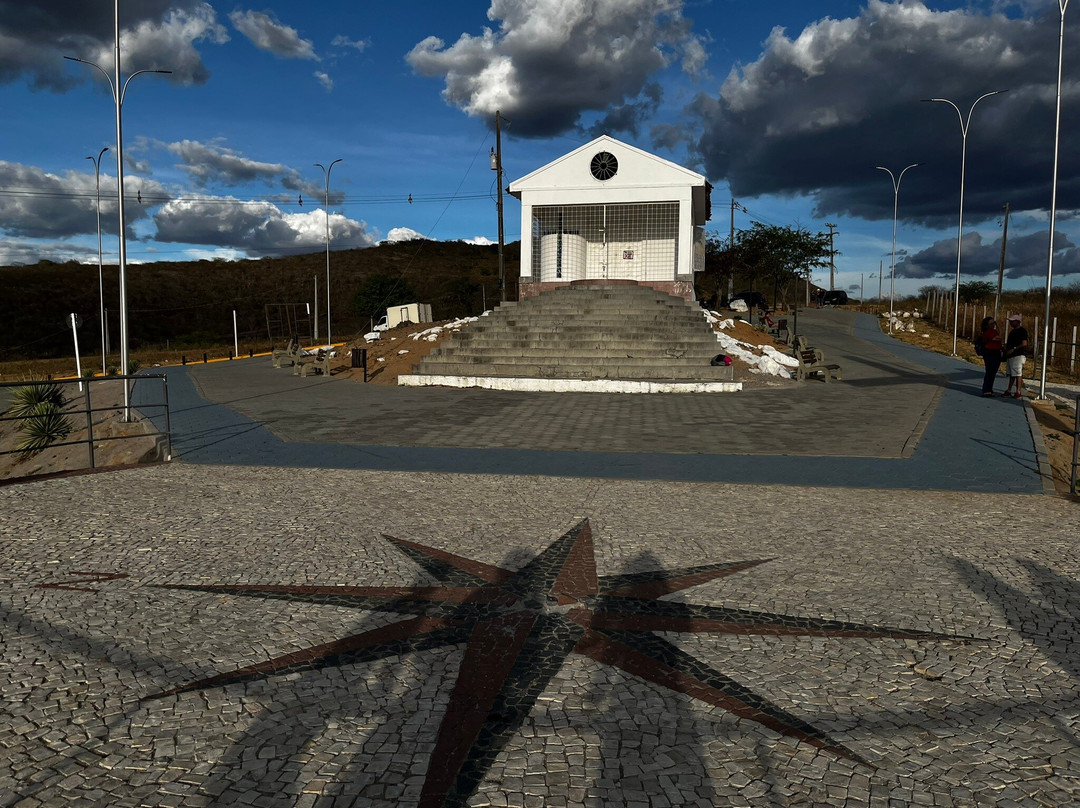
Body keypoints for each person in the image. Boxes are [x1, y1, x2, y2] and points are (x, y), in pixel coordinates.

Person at [1002, 314, 1029, 398]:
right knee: (1011, 373)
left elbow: (1024, 343)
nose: (1010, 323)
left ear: (1017, 322)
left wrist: (1014, 349)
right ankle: (1009, 390)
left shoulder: (1022, 331)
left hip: (1018, 355)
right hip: (1011, 355)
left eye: (1012, 321)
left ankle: (1018, 391)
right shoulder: (1012, 332)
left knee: (1017, 373)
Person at [977, 316, 1003, 397]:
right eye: (991, 323)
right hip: (989, 352)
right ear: (987, 325)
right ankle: (986, 389)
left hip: (996, 352)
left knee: (993, 372)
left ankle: (989, 388)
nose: (993, 325)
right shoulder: (987, 332)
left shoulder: (994, 331)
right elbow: (997, 339)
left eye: (994, 323)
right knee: (989, 371)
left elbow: (999, 337)